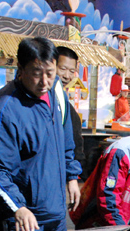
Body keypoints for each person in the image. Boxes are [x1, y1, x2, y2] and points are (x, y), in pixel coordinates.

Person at [0, 37, 82, 231]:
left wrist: (72, 176)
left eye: (50, 73)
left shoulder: (55, 92)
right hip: (25, 218)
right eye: (37, 73)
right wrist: (17, 207)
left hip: (56, 214)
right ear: (21, 69)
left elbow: (66, 139)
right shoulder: (5, 108)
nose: (44, 82)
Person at [55, 46, 86, 175]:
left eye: (71, 71)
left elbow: (75, 147)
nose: (66, 76)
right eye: (62, 69)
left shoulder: (66, 106)